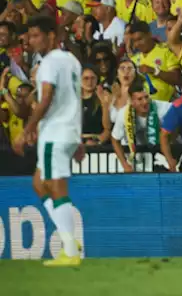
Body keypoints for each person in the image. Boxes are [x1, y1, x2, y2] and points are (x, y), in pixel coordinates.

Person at [21, 16, 85, 266]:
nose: (33, 40)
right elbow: (74, 99)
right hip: (68, 130)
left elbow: (46, 98)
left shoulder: (48, 63)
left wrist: (28, 128)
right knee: (39, 183)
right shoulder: (71, 60)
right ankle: (69, 239)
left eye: (37, 35)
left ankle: (70, 250)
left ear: (51, 36)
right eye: (31, 36)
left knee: (56, 186)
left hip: (55, 132)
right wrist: (77, 137)